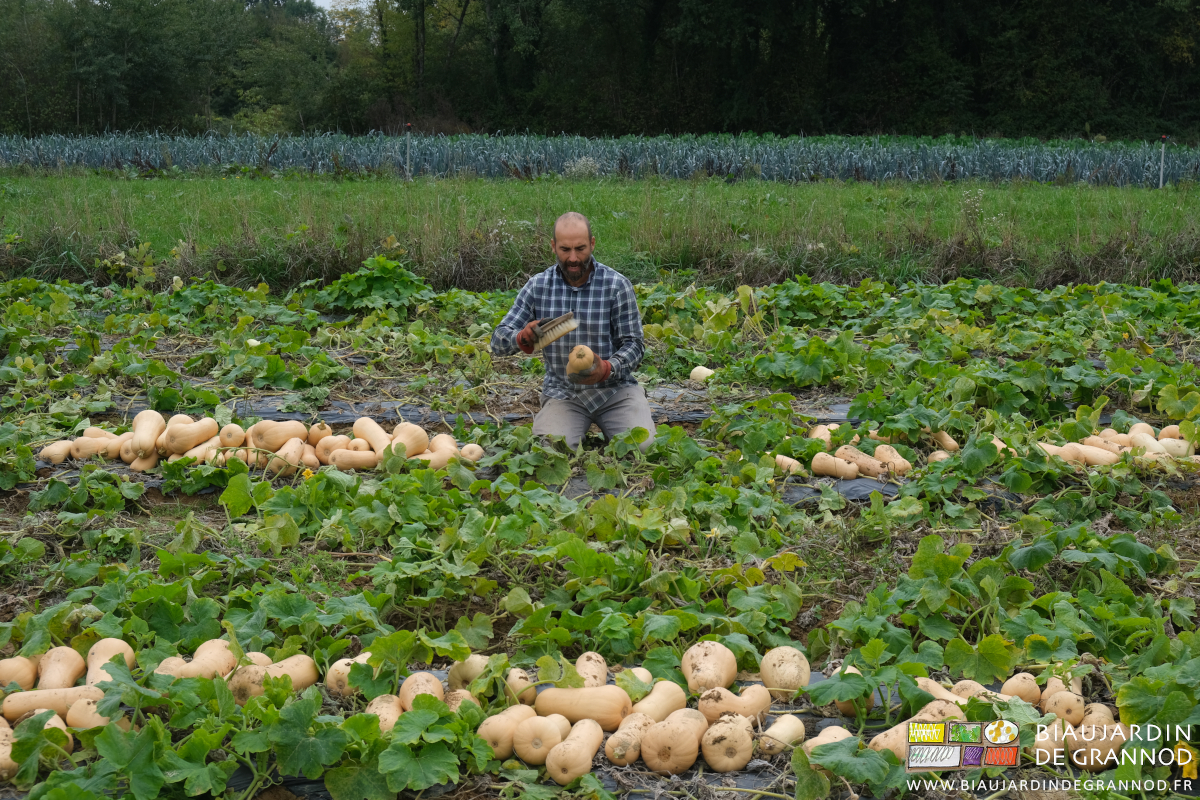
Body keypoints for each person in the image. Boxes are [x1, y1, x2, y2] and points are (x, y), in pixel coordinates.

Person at [491, 212, 656, 451]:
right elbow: (497, 341)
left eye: (580, 248)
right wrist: (520, 338)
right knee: (548, 449)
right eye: (565, 249)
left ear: (592, 243)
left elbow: (634, 344)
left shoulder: (616, 285)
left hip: (615, 390)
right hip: (564, 393)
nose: (573, 258)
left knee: (643, 447)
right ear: (553, 246)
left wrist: (608, 368)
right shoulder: (538, 286)